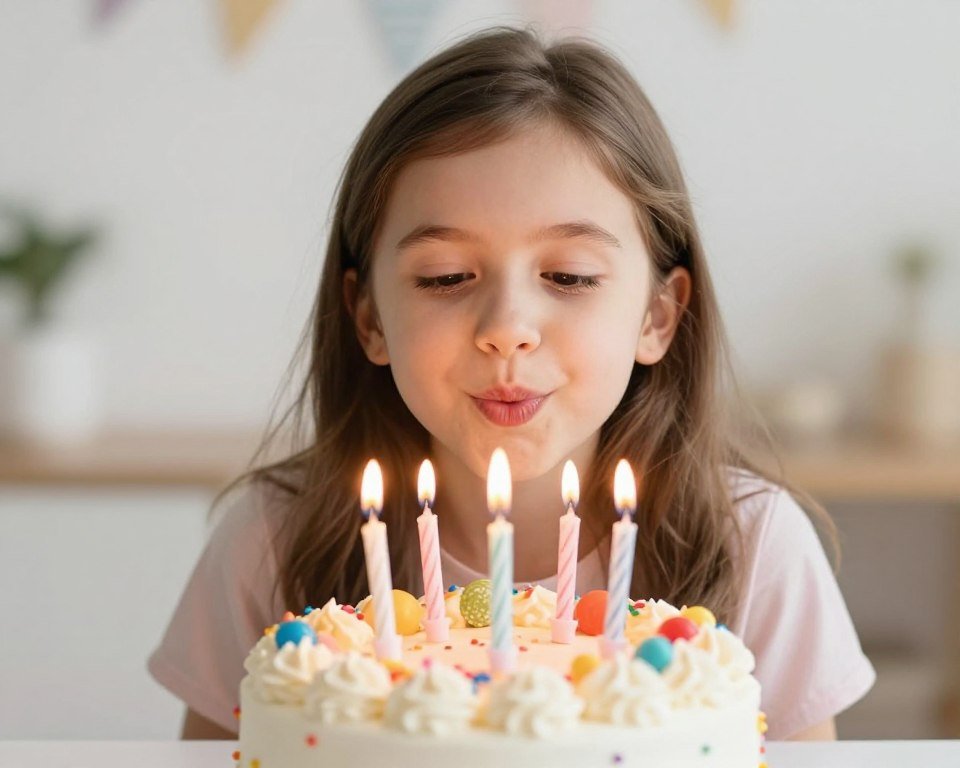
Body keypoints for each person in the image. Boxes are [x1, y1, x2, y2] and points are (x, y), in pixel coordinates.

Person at [148, 26, 875, 742]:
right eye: (445, 278)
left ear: (657, 315)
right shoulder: (274, 541)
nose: (507, 327)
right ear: (368, 318)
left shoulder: (751, 547)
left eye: (569, 276)